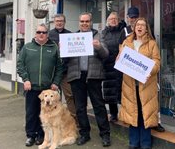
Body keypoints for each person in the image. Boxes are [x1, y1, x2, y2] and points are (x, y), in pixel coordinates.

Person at [66, 12, 111, 147]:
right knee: (80, 107)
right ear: (79, 23)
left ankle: (105, 134)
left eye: (87, 21)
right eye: (82, 21)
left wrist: (99, 47)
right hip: (77, 76)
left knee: (99, 106)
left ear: (91, 22)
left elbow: (106, 55)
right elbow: (65, 59)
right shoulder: (72, 37)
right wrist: (63, 50)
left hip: (93, 76)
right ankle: (84, 134)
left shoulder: (99, 35)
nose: (84, 23)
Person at [17, 23, 64, 147]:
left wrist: (56, 82)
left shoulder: (54, 48)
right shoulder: (27, 48)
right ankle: (30, 135)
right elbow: (20, 65)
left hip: (47, 88)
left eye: (43, 32)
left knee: (46, 114)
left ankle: (42, 136)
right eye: (39, 32)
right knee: (31, 112)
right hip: (31, 87)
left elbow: (60, 67)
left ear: (47, 34)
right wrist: (25, 79)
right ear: (35, 34)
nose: (41, 34)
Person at [117, 18, 161, 149]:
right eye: (138, 25)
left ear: (146, 28)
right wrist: (119, 59)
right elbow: (120, 58)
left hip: (146, 86)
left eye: (143, 25)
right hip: (130, 86)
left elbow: (157, 62)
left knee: (145, 113)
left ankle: (146, 144)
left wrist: (150, 71)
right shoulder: (127, 42)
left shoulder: (152, 44)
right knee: (133, 113)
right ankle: (133, 143)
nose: (140, 27)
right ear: (134, 28)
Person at [48, 14, 77, 122]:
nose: (59, 23)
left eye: (61, 21)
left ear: (64, 22)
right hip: (52, 72)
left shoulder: (70, 35)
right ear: (54, 22)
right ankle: (52, 120)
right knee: (52, 97)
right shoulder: (49, 35)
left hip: (66, 71)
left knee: (69, 96)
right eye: (57, 21)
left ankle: (74, 121)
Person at [101, 12, 125, 122]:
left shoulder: (124, 31)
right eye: (111, 19)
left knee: (124, 92)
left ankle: (125, 114)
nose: (113, 20)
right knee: (110, 91)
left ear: (119, 20)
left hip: (124, 66)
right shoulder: (104, 33)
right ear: (107, 21)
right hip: (109, 65)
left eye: (115, 18)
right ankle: (113, 113)